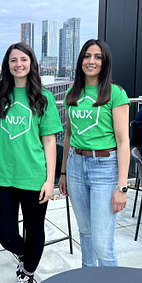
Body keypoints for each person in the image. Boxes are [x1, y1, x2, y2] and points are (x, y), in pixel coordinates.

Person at [0, 42, 62, 283]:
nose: (18, 64)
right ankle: (25, 256)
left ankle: (27, 276)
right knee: (5, 233)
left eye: (23, 59)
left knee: (35, 228)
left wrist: (49, 180)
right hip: (3, 176)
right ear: (7, 66)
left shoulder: (44, 97)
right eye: (13, 60)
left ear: (31, 62)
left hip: (33, 176)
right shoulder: (1, 95)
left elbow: (50, 141)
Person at [57, 39, 130, 267]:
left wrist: (122, 186)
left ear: (104, 61)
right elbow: (69, 135)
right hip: (75, 166)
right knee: (85, 233)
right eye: (87, 56)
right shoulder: (72, 93)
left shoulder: (115, 93)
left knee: (102, 242)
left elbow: (123, 141)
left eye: (97, 57)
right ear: (81, 61)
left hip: (105, 169)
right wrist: (64, 173)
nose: (91, 61)